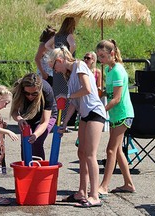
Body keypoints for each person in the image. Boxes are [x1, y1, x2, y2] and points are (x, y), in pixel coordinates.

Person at [47, 46, 106, 208]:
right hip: (85, 114)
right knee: (81, 152)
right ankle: (82, 191)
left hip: (95, 112)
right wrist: (64, 124)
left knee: (90, 154)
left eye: (54, 67)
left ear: (59, 61)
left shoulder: (80, 66)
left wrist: (66, 95)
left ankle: (94, 196)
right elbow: (73, 103)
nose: (55, 71)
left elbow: (86, 90)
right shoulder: (70, 74)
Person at [95, 39, 136, 197]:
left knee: (110, 150)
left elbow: (117, 98)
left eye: (103, 56)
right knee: (117, 150)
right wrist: (102, 92)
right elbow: (110, 92)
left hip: (123, 114)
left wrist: (101, 110)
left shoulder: (118, 70)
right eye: (99, 56)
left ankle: (104, 186)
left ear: (112, 54)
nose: (101, 60)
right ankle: (129, 184)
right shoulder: (110, 70)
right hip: (116, 115)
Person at [10, 73, 57, 160]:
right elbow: (14, 111)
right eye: (27, 93)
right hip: (27, 116)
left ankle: (39, 169)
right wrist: (19, 119)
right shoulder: (18, 89)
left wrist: (35, 135)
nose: (30, 96)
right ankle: (26, 168)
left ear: (39, 90)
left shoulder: (47, 90)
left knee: (37, 142)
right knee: (26, 142)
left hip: (46, 116)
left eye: (34, 93)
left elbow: (44, 122)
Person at [45, 17, 77, 126]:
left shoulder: (57, 36)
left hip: (57, 66)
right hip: (64, 65)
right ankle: (63, 118)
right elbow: (73, 45)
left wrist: (54, 52)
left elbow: (47, 45)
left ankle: (57, 116)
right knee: (66, 91)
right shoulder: (69, 36)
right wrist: (68, 54)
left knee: (57, 91)